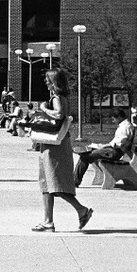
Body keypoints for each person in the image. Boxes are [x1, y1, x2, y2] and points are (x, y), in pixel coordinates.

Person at [32, 68, 93, 232]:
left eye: (47, 79)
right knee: (46, 184)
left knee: (54, 184)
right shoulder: (63, 97)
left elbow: (58, 114)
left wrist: (43, 109)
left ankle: (82, 210)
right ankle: (48, 221)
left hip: (54, 146)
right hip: (53, 144)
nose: (45, 82)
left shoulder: (56, 98)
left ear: (54, 82)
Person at [73, 107, 137, 186]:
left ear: (119, 117)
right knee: (88, 152)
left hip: (114, 152)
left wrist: (103, 146)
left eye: (114, 119)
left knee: (85, 156)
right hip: (113, 150)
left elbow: (120, 143)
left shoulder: (125, 127)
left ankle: (75, 182)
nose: (113, 121)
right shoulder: (125, 125)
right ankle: (75, 181)